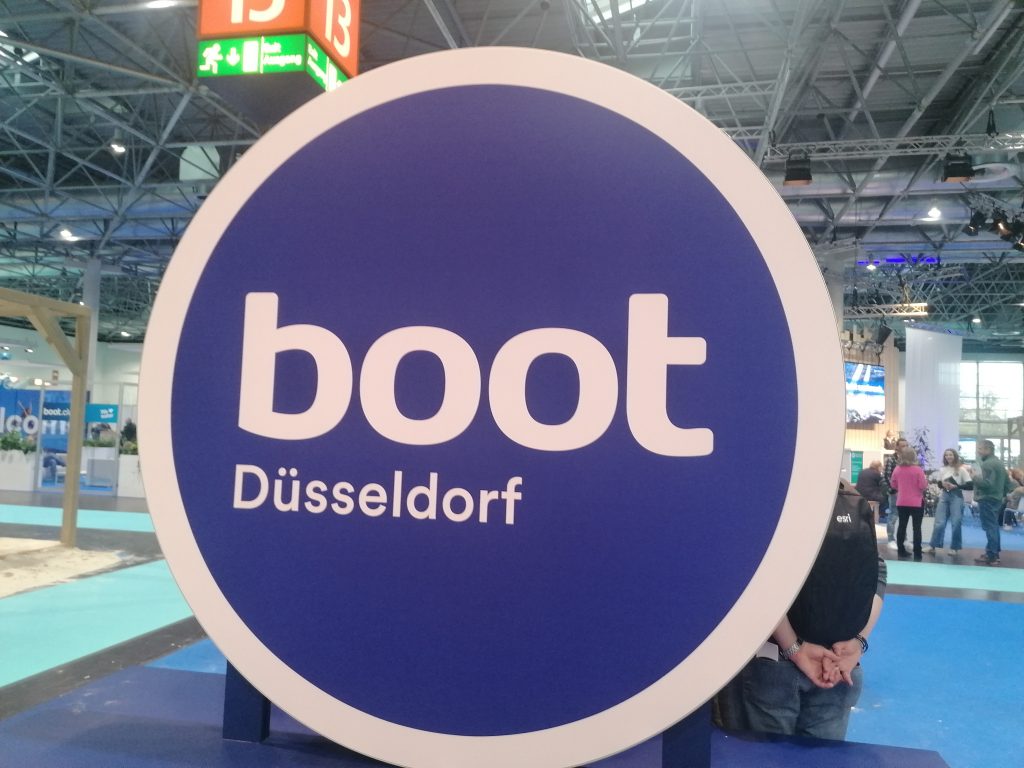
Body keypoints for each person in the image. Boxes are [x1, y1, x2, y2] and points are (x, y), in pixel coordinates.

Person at [735, 479, 886, 741]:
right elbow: (877, 572)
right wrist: (857, 642)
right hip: (840, 663)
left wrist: (793, 648)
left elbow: (761, 580)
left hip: (773, 661)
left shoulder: (775, 495)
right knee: (823, 756)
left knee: (767, 756)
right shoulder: (850, 496)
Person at [927, 449, 971, 555]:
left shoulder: (961, 470)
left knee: (956, 522)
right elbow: (939, 484)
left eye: (950, 455)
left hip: (956, 496)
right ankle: (933, 545)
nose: (948, 457)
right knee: (939, 523)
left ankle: (954, 547)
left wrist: (957, 486)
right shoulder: (942, 469)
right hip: (944, 496)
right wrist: (943, 484)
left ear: (955, 456)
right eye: (946, 455)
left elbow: (970, 485)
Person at [972, 440, 1010, 566]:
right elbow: (1007, 483)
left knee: (990, 527)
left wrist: (974, 477)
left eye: (980, 449)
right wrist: (1003, 495)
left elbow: (987, 484)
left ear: (988, 449)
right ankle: (993, 552)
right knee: (993, 526)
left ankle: (992, 555)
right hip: (996, 498)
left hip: (987, 498)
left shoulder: (987, 464)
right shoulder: (999, 463)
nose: (978, 451)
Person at [890, 446, 927, 560]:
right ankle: (917, 553)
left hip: (902, 501)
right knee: (917, 528)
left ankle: (901, 551)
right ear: (914, 456)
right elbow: (923, 486)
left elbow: (893, 485)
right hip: (917, 502)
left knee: (902, 526)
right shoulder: (918, 470)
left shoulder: (897, 469)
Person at [882, 437, 909, 549]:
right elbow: (887, 476)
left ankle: (904, 539)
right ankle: (891, 539)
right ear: (897, 447)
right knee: (893, 515)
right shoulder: (891, 459)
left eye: (906, 446)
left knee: (904, 516)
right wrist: (894, 490)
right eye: (902, 446)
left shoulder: (908, 460)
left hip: (906, 493)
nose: (905, 448)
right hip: (895, 492)